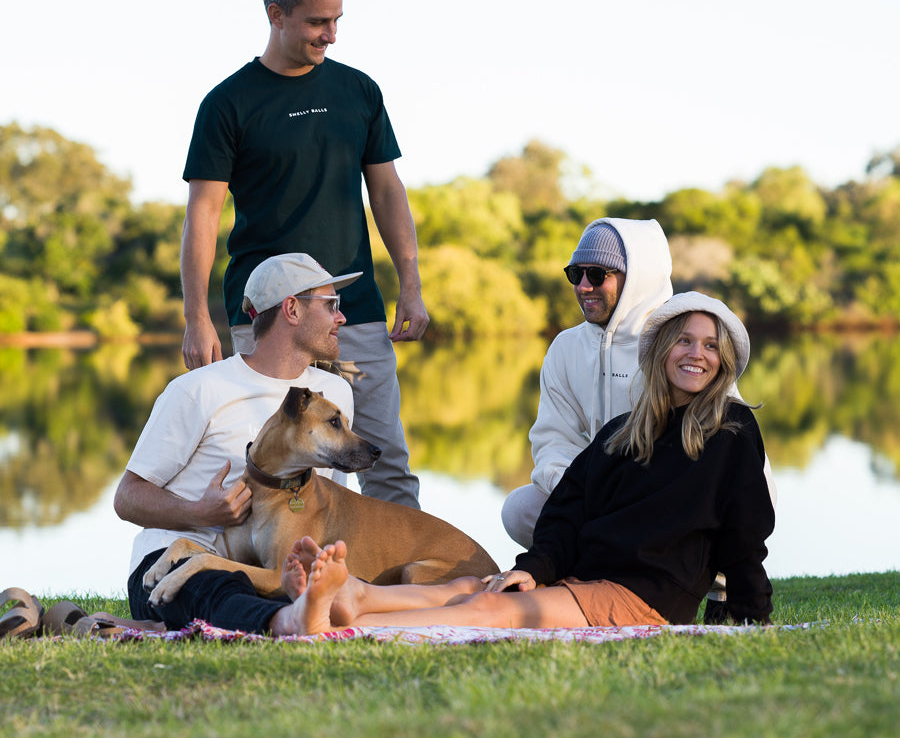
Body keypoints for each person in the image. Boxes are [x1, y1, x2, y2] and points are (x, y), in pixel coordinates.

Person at [277, 292, 775, 635]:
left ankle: (348, 627)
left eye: (711, 346)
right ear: (664, 351)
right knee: (473, 587)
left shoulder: (729, 430)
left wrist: (750, 610)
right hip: (586, 580)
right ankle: (355, 596)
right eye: (685, 341)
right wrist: (535, 567)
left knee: (492, 608)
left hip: (647, 598)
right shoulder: (622, 433)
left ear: (724, 360)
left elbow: (744, 529)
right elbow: (565, 510)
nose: (697, 354)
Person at [179, 0, 426, 509]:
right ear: (276, 15)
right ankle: (268, 590)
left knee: (385, 465)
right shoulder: (228, 104)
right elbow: (204, 215)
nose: (331, 34)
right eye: (318, 21)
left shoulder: (358, 91)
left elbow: (386, 191)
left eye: (337, 19)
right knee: (267, 473)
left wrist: (410, 284)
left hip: (353, 312)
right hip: (268, 321)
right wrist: (196, 316)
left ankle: (416, 593)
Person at [114, 253, 365, 633]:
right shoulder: (199, 390)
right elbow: (127, 497)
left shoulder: (333, 395)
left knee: (322, 588)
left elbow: (326, 504)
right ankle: (288, 622)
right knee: (216, 590)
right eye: (331, 305)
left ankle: (294, 610)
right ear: (292, 309)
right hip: (172, 564)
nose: (341, 318)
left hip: (271, 570)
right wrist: (201, 512)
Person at [501, 218, 673, 549]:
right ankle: (590, 577)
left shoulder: (681, 343)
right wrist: (586, 490)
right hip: (598, 496)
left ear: (637, 278)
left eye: (597, 275)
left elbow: (722, 450)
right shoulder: (566, 348)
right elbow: (554, 441)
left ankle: (718, 590)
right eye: (575, 274)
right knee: (521, 509)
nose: (582, 286)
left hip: (669, 498)